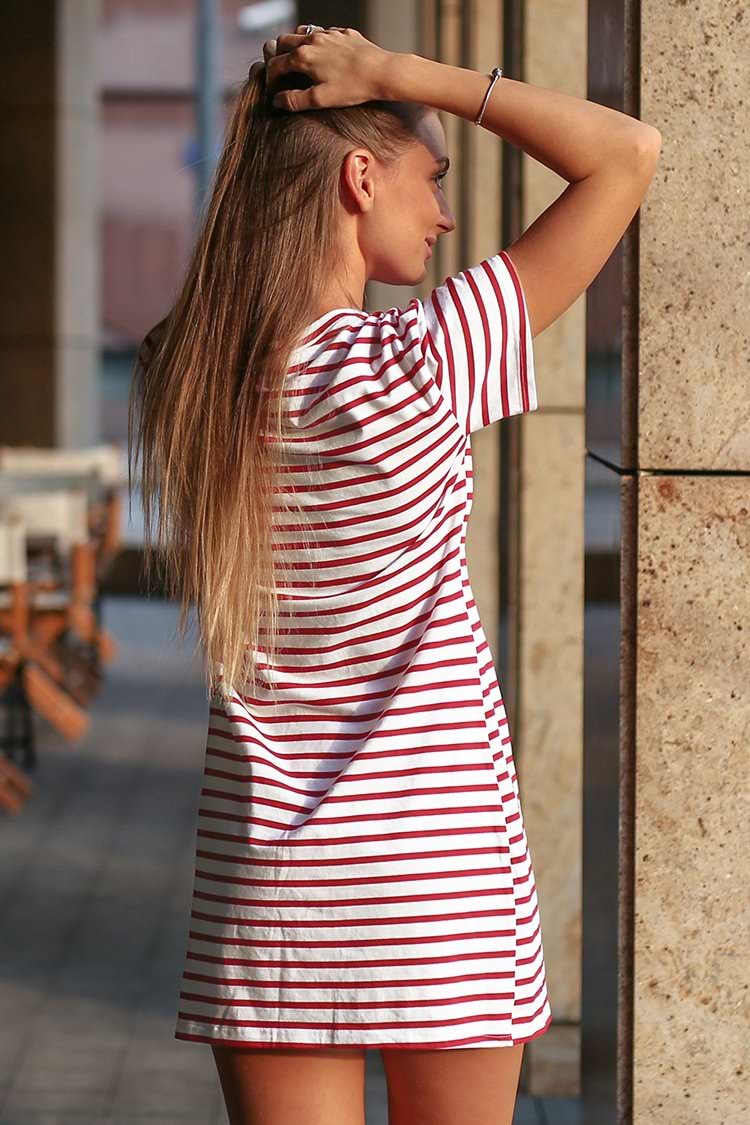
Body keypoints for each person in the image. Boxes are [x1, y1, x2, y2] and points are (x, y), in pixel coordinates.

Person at [129, 23, 661, 1125]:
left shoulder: (185, 377)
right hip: (438, 872)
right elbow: (626, 152)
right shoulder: (420, 360)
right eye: (433, 179)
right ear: (359, 179)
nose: (447, 216)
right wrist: (401, 76)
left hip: (271, 883)